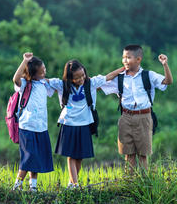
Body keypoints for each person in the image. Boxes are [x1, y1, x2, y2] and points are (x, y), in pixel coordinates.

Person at [48, 60, 124, 188]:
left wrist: (124, 68)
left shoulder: (91, 83)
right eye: (77, 77)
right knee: (71, 155)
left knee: (80, 156)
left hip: (85, 124)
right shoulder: (62, 85)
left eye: (82, 75)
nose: (81, 79)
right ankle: (75, 184)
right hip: (69, 123)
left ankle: (72, 183)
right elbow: (45, 80)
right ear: (70, 78)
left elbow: (108, 76)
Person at [101, 45, 173, 170]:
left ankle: (144, 182)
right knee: (128, 154)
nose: (125, 60)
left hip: (144, 116)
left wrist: (165, 65)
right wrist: (118, 71)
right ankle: (130, 183)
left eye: (128, 57)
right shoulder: (120, 77)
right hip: (126, 117)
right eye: (123, 57)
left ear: (138, 59)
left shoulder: (148, 75)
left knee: (143, 154)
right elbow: (100, 83)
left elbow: (168, 81)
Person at [11, 52, 55, 192]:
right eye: (42, 72)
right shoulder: (25, 84)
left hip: (41, 127)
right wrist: (25, 61)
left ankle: (33, 186)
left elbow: (57, 83)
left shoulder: (44, 84)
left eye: (44, 70)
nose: (44, 73)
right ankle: (17, 184)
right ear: (33, 74)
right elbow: (15, 79)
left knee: (36, 157)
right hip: (27, 126)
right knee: (28, 156)